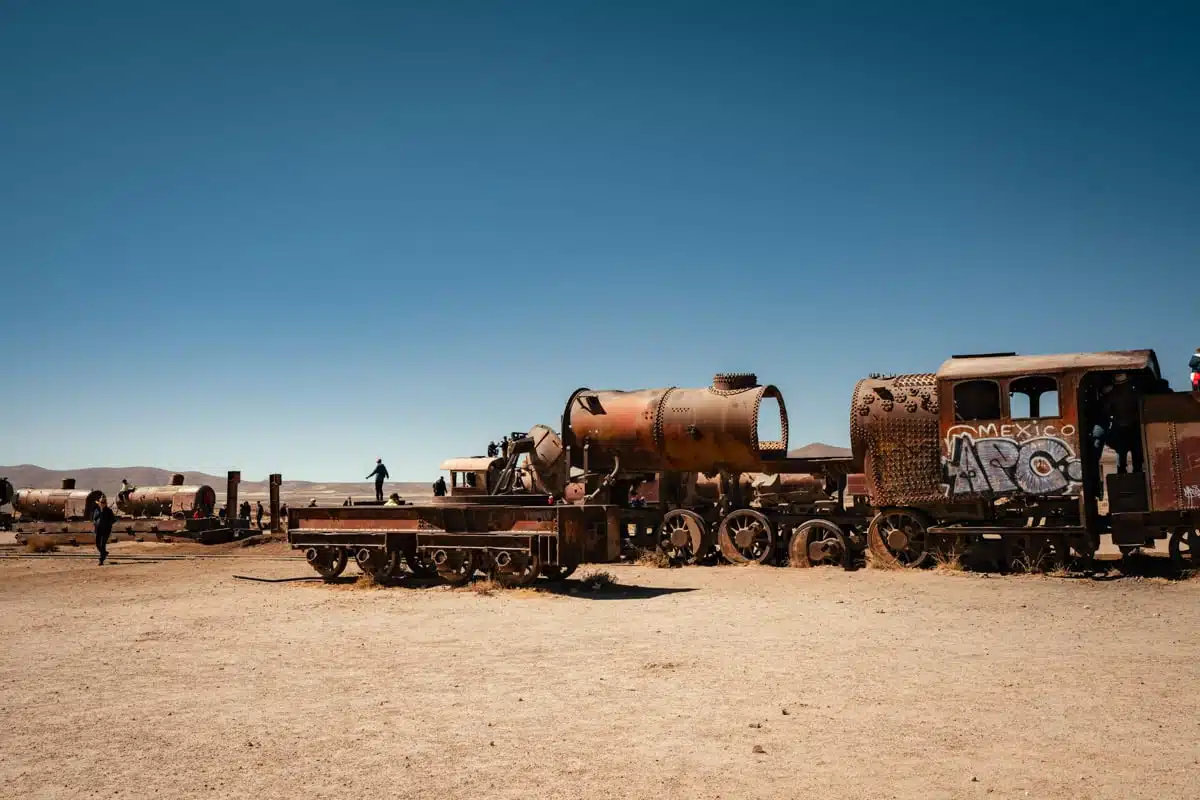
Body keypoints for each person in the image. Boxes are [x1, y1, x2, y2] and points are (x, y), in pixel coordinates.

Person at [1103, 374, 1143, 474]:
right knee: (1135, 451)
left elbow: (1107, 410)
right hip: (1133, 425)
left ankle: (1122, 472)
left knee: (1121, 451)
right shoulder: (1134, 393)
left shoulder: (1112, 395)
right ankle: (1136, 471)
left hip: (1120, 426)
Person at [93, 495, 116, 566]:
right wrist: (96, 524)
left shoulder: (109, 511)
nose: (102, 503)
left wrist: (108, 524)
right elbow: (94, 519)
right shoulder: (97, 510)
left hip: (106, 530)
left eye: (104, 502)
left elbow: (113, 520)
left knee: (103, 545)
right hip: (98, 530)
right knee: (97, 544)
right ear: (99, 502)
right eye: (101, 502)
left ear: (106, 503)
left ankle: (101, 560)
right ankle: (104, 553)